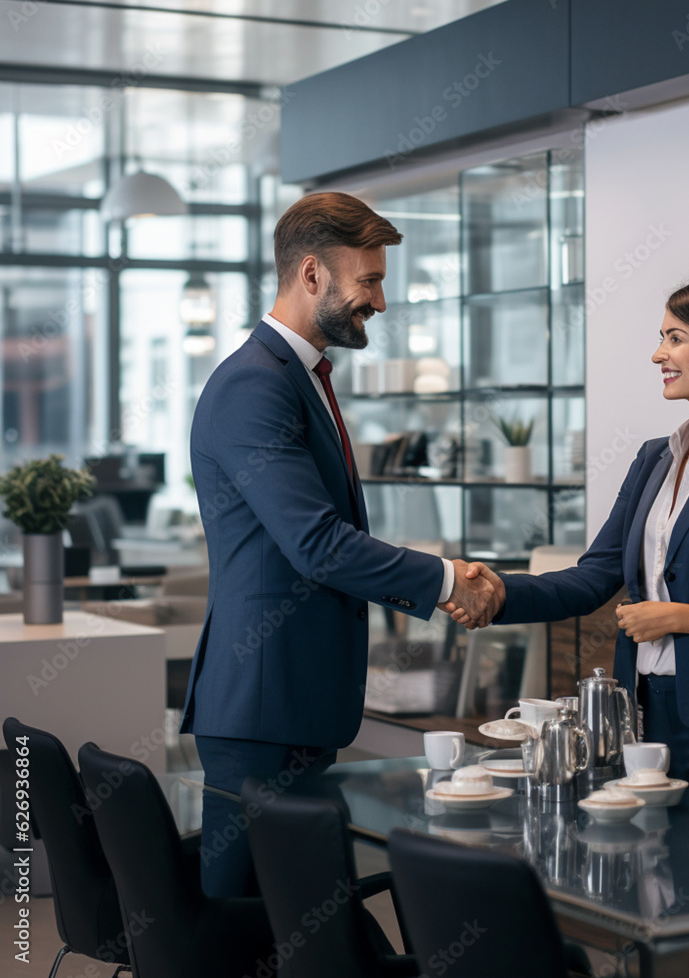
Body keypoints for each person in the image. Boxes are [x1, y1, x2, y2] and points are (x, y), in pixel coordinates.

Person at [181, 192, 498, 896]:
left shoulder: (298, 377)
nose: (380, 302)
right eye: (370, 281)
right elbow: (319, 544)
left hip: (294, 703)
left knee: (298, 924)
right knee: (244, 926)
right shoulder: (254, 386)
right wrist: (448, 581)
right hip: (263, 705)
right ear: (312, 274)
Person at [450, 278, 689, 804]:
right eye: (661, 338)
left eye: (675, 338)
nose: (658, 354)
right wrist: (501, 592)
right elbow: (593, 576)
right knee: (641, 853)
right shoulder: (653, 459)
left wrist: (676, 617)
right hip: (639, 712)